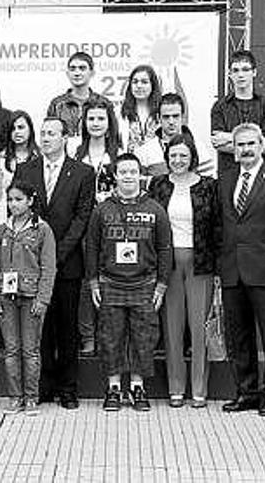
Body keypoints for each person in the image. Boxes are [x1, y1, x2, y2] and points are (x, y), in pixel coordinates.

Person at [14, 117, 95, 410]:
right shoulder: (26, 169)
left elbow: (82, 217)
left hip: (67, 262)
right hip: (31, 264)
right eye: (43, 133)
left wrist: (57, 254)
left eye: (52, 134)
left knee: (67, 327)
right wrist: (37, 256)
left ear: (66, 138)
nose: (46, 138)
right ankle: (44, 385)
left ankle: (68, 388)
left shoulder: (84, 172)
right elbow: (19, 212)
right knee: (40, 326)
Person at [87, 153, 172, 412]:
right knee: (111, 337)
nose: (128, 176)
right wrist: (93, 282)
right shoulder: (102, 210)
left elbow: (165, 248)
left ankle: (137, 388)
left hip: (145, 283)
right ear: (115, 175)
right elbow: (91, 246)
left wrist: (162, 285)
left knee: (143, 338)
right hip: (110, 282)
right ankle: (113, 388)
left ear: (140, 175)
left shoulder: (155, 208)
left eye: (133, 171)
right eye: (123, 171)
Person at [149, 134, 220, 408]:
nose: (178, 160)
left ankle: (199, 390)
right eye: (173, 155)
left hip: (201, 262)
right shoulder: (158, 185)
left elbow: (217, 226)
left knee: (199, 328)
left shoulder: (208, 186)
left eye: (183, 155)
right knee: (172, 327)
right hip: (167, 263)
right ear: (167, 158)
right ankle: (176, 389)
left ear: (192, 157)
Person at [219, 123, 265, 417]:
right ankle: (247, 392)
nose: (245, 149)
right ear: (233, 149)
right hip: (232, 269)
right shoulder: (225, 180)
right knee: (238, 336)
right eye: (239, 145)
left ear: (261, 145)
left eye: (250, 144)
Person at [0, 180, 56, 416]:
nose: (13, 204)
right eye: (10, 200)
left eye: (18, 199)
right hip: (6, 297)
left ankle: (32, 397)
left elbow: (49, 267)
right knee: (11, 350)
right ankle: (15, 396)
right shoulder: (2, 230)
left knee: (31, 350)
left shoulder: (42, 229)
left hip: (31, 296)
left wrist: (42, 299)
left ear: (30, 201)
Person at [74, 98, 124, 355]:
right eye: (91, 118)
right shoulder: (75, 151)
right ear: (84, 122)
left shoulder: (118, 153)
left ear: (109, 123)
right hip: (82, 227)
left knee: (109, 280)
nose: (95, 123)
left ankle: (108, 335)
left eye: (100, 119)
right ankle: (88, 336)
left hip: (111, 226)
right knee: (85, 282)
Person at [211, 50, 265, 175]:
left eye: (245, 69)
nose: (240, 75)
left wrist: (228, 137)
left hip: (260, 177)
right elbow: (217, 143)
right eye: (236, 70)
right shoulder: (219, 107)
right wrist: (255, 142)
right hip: (228, 175)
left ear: (254, 72)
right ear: (230, 74)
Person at [0, 111, 40, 225]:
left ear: (30, 129)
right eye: (13, 129)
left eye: (21, 127)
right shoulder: (0, 159)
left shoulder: (40, 156)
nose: (17, 132)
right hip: (5, 218)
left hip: (35, 219)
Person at [46, 52, 106, 137]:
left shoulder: (103, 103)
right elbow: (50, 136)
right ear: (67, 73)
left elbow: (111, 136)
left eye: (82, 68)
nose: (77, 73)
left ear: (92, 73)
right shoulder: (57, 104)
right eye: (72, 69)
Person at [119, 65, 162, 154]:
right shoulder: (120, 112)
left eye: (144, 82)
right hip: (129, 164)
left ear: (153, 85)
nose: (139, 86)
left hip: (157, 163)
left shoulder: (161, 110)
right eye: (135, 82)